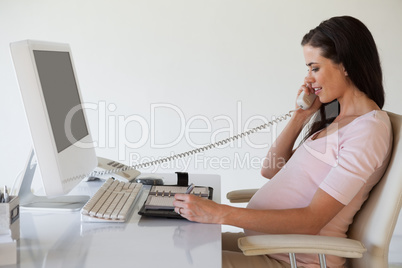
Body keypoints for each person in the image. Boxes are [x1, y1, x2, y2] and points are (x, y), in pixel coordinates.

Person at [173, 16, 393, 268]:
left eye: (315, 67)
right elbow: (271, 169)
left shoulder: (367, 130)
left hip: (297, 259)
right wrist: (300, 117)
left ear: (346, 64)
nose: (308, 79)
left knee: (184, 261)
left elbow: (312, 220)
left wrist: (218, 213)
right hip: (271, 247)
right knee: (173, 246)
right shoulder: (337, 120)